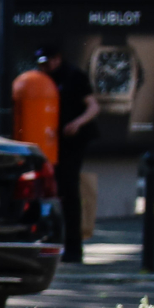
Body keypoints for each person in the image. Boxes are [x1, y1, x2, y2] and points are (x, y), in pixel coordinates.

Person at [38, 46, 98, 263]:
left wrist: (77, 123)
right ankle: (56, 242)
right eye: (42, 63)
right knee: (56, 190)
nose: (46, 67)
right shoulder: (43, 78)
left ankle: (74, 248)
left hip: (74, 141)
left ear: (58, 58)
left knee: (69, 190)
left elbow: (93, 107)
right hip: (55, 142)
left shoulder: (74, 76)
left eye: (48, 62)